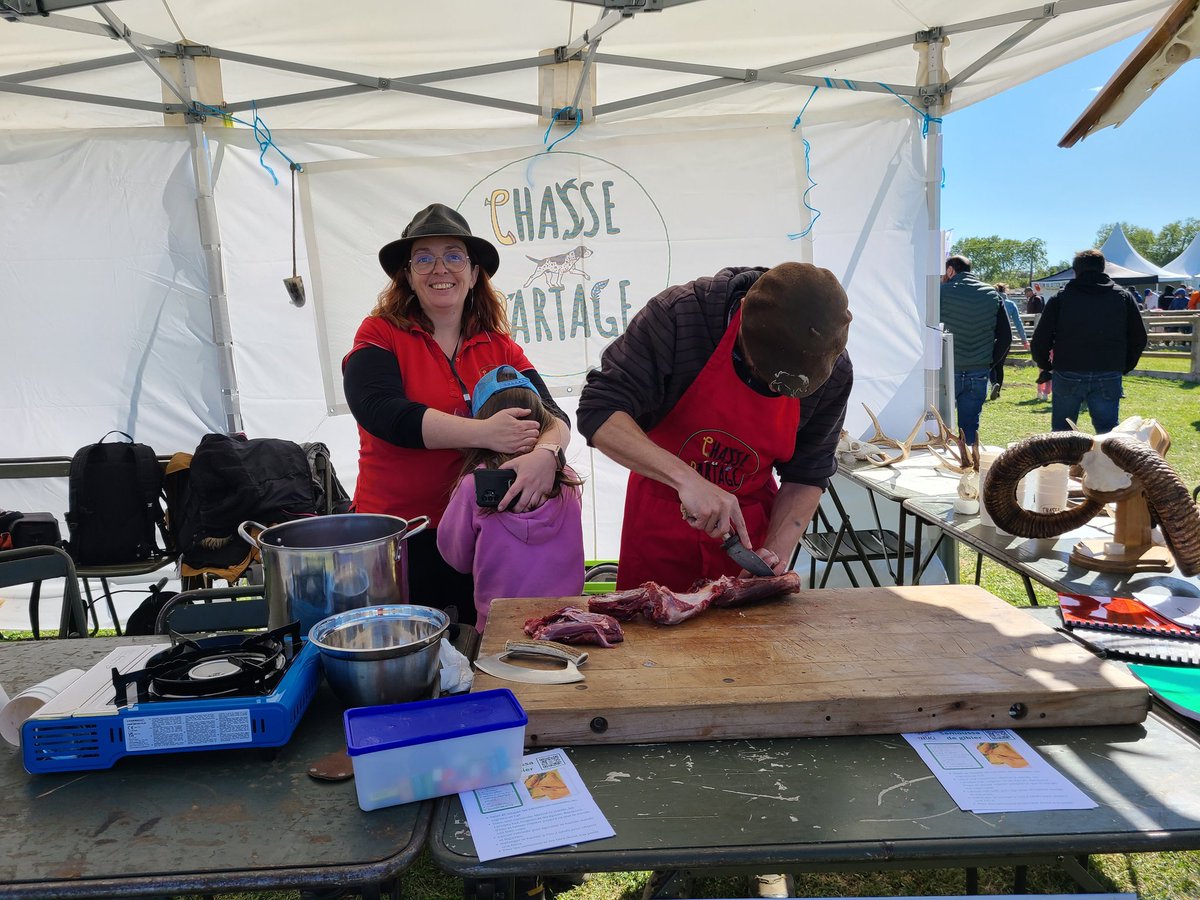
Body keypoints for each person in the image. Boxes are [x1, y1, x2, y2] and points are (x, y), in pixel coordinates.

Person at [342, 203, 572, 628]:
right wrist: (486, 433)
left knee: (477, 643)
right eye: (423, 258)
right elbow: (381, 412)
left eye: (453, 256)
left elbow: (553, 415)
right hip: (400, 537)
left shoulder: (499, 346)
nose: (439, 269)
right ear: (408, 274)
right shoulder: (380, 333)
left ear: (474, 271)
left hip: (486, 532)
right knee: (409, 651)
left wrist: (548, 454)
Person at [577, 263, 853, 592]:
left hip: (747, 532)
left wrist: (773, 555)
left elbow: (807, 474)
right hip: (660, 517)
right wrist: (685, 479)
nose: (769, 388)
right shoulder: (680, 317)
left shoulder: (829, 367)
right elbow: (599, 410)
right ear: (743, 311)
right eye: (760, 370)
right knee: (650, 619)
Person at [437, 366, 585, 633]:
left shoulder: (473, 487)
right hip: (566, 622)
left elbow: (456, 557)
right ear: (543, 420)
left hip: (497, 626)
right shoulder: (568, 480)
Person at [1030, 249, 1148, 434]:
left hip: (1068, 369)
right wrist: (1124, 366)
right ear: (1102, 269)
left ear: (1075, 271)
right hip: (1108, 369)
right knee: (1108, 434)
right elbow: (1138, 337)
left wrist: (1045, 365)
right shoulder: (1122, 297)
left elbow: (1040, 338)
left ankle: (1064, 455)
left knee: (1062, 433)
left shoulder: (1061, 298)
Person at [938, 256, 1009, 443]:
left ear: (950, 270)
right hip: (979, 369)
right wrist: (991, 364)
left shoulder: (940, 292)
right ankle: (969, 458)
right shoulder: (992, 294)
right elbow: (1005, 337)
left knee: (939, 427)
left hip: (946, 369)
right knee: (969, 428)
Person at [989, 283, 1029, 400]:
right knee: (1000, 364)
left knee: (990, 363)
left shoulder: (991, 301)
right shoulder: (1011, 304)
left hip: (991, 337)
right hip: (1005, 337)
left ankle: (993, 383)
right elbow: (1018, 323)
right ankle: (997, 391)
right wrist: (1024, 340)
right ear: (1005, 291)